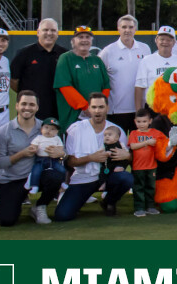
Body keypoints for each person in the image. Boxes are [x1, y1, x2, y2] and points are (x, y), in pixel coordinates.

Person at [53, 93, 133, 221]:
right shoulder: (75, 129)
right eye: (94, 107)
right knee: (62, 215)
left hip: (108, 176)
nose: (97, 111)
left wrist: (128, 156)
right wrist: (91, 158)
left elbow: (129, 159)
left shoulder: (116, 130)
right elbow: (69, 162)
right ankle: (77, 197)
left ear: (107, 108)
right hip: (83, 178)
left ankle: (109, 201)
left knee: (126, 178)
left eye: (101, 107)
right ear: (88, 109)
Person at [0, 91, 62, 226]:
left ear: (37, 107)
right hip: (13, 179)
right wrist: (22, 154)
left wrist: (61, 153)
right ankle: (16, 201)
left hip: (39, 176)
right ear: (17, 106)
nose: (27, 108)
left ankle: (39, 206)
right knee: (7, 220)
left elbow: (61, 150)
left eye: (32, 104)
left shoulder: (46, 127)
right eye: (24, 104)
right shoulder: (4, 131)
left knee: (56, 175)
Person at [53, 26, 111, 135]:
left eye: (87, 37)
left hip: (96, 113)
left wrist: (99, 106)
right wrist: (85, 106)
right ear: (73, 41)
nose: (84, 40)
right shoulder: (65, 58)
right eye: (80, 37)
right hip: (74, 113)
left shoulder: (97, 60)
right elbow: (64, 86)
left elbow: (106, 86)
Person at [102, 15, 152, 134]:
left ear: (135, 29)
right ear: (118, 29)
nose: (127, 30)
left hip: (140, 109)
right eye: (124, 27)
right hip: (117, 110)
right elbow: (101, 79)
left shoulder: (145, 49)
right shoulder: (108, 51)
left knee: (140, 147)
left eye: (130, 27)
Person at [10, 17, 66, 120]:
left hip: (57, 109)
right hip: (31, 109)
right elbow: (14, 81)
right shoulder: (24, 54)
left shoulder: (64, 55)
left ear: (58, 34)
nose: (49, 33)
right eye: (45, 30)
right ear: (38, 32)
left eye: (53, 30)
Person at [134, 26, 177, 111]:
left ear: (174, 42)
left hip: (174, 107)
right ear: (156, 40)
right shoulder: (147, 60)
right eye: (162, 39)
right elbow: (139, 87)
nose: (165, 42)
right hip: (153, 108)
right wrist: (138, 112)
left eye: (169, 40)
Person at [127, 107, 165, 217]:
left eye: (144, 121)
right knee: (138, 188)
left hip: (152, 166)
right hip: (138, 167)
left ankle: (150, 207)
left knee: (151, 188)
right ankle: (139, 208)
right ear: (135, 122)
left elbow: (165, 141)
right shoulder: (134, 133)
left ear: (150, 121)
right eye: (139, 122)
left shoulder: (155, 132)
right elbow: (133, 146)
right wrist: (147, 142)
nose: (141, 124)